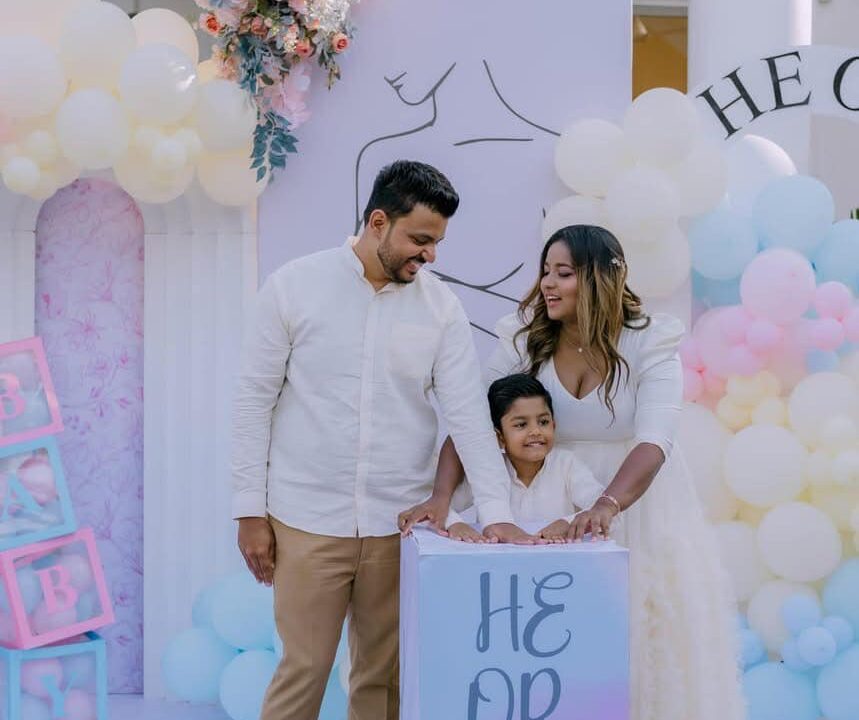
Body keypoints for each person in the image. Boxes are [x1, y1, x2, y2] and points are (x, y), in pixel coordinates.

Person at [399, 224, 745, 720]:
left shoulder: (649, 341)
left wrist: (606, 504)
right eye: (546, 271)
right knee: (552, 648)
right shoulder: (527, 340)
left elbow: (655, 440)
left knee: (637, 646)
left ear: (602, 278)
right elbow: (473, 420)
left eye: (563, 273)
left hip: (634, 501)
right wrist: (441, 496)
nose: (547, 283)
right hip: (548, 502)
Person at [230, 160, 534, 720]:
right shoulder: (294, 287)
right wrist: (249, 510)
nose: (431, 255)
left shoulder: (441, 308)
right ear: (378, 222)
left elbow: (469, 417)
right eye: (420, 239)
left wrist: (496, 513)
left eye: (437, 242)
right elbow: (254, 402)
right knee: (304, 670)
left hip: (400, 524)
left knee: (383, 679)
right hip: (306, 517)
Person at [445, 372, 610, 543]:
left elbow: (602, 506)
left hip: (560, 559)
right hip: (503, 559)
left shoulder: (566, 464)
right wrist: (455, 524)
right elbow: (439, 505)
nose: (536, 431)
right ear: (499, 437)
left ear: (554, 426)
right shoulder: (488, 471)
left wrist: (568, 523)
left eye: (543, 422)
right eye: (521, 424)